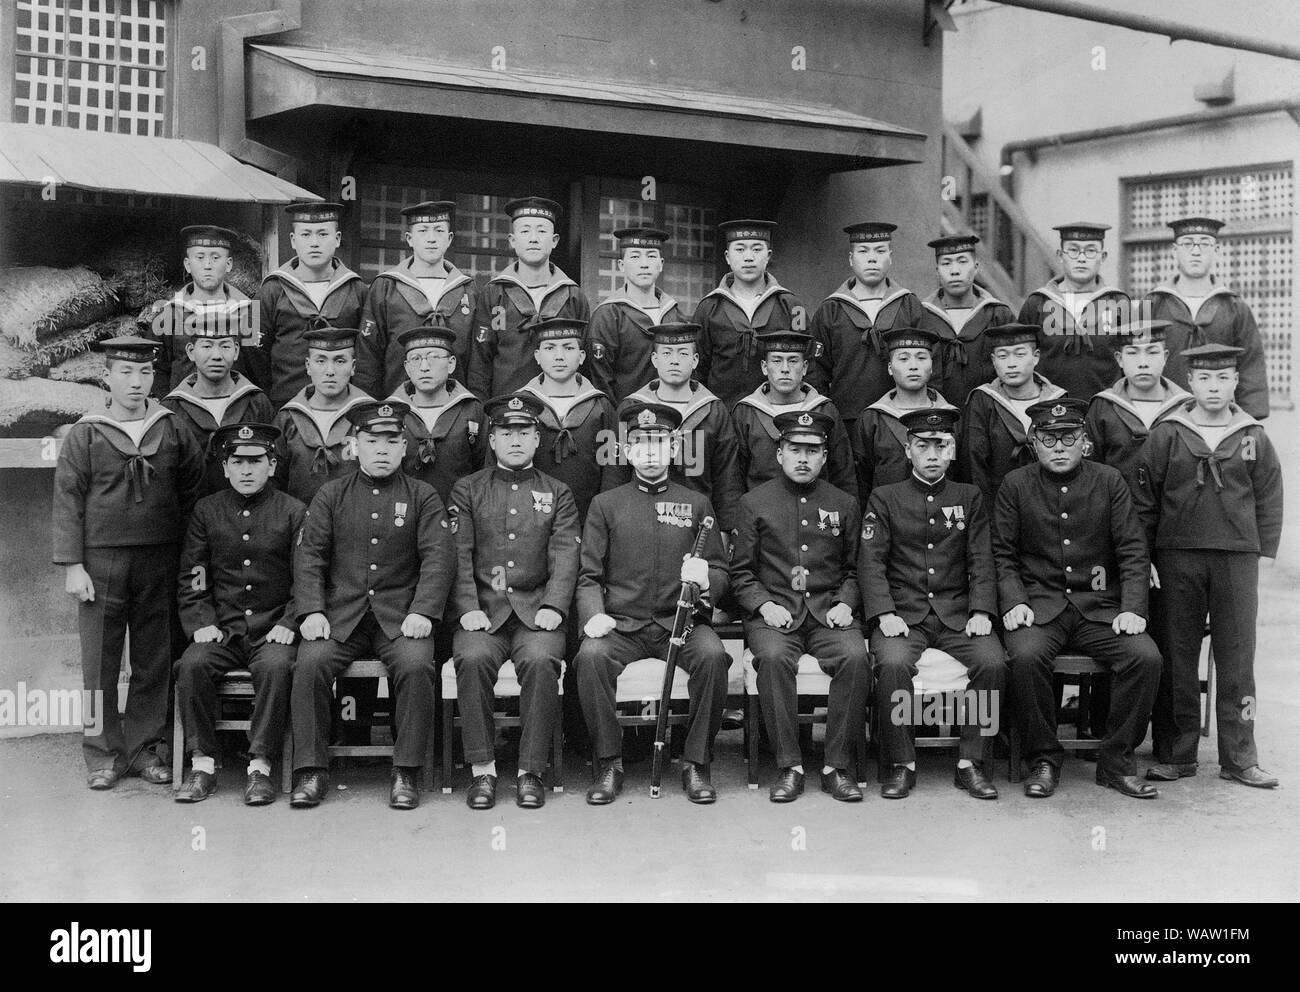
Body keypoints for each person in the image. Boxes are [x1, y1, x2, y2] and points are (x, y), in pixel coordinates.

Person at [52, 336, 205, 789]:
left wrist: (174, 543)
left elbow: (191, 488)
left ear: (154, 377)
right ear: (107, 377)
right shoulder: (87, 432)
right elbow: (68, 500)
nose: (136, 383)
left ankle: (144, 750)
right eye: (125, 373)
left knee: (153, 659)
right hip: (101, 563)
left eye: (144, 373)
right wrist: (72, 566)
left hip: (158, 559)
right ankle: (102, 754)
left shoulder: (171, 427)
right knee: (99, 661)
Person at [289, 400, 455, 810]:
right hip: (340, 617)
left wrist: (423, 611)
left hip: (400, 618)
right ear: (354, 446)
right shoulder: (331, 494)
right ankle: (311, 770)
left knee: (417, 666)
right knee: (309, 664)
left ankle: (406, 772)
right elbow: (310, 555)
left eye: (391, 441)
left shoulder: (423, 495)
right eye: (371, 440)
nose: (382, 449)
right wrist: (311, 611)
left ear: (404, 447)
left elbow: (439, 557)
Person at [993, 398, 1162, 800]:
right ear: (1034, 442)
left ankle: (1117, 761)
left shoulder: (1108, 481)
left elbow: (1132, 551)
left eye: (1068, 437)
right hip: (1039, 607)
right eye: (1049, 438)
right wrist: (1015, 600)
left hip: (1098, 608)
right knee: (1026, 656)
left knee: (1146, 657)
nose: (1059, 446)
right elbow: (1001, 553)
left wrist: (1132, 608)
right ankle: (1044, 759)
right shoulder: (1016, 484)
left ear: (1084, 440)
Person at [1135, 344, 1283, 789]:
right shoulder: (1168, 433)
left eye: (1223, 379)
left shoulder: (1252, 435)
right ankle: (1176, 753)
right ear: (1191, 383)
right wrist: (1143, 556)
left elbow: (1269, 496)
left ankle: (1240, 757)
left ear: (1236, 382)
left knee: (1238, 656)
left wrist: (1266, 553)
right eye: (1204, 379)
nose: (1214, 388)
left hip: (1236, 557)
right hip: (1177, 555)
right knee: (1177, 654)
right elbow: (1144, 500)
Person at [575, 401, 731, 805]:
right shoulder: (605, 505)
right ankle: (610, 762)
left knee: (714, 656)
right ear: (627, 451)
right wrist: (594, 615)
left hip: (679, 623)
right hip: (622, 626)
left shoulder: (696, 503)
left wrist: (706, 580)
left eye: (658, 441)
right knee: (590, 657)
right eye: (640, 442)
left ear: (674, 448)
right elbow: (588, 573)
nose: (648, 450)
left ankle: (696, 762)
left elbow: (721, 572)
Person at [858, 407, 1005, 800]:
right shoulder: (885, 497)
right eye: (923, 445)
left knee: (992, 662)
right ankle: (901, 763)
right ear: (908, 450)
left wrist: (981, 611)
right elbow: (870, 561)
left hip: (958, 614)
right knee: (891, 663)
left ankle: (970, 762)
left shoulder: (968, 497)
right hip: (903, 615)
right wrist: (884, 613)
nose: (933, 453)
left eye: (941, 445)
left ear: (953, 451)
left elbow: (981, 558)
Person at [449, 392, 581, 810]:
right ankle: (482, 771)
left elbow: (566, 555)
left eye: (524, 432)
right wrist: (468, 606)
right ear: (492, 440)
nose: (516, 440)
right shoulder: (468, 488)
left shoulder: (557, 491)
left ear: (538, 439)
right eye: (506, 432)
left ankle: (530, 771)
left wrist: (555, 606)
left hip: (535, 612)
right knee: (470, 660)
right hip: (483, 612)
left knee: (542, 662)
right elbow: (457, 553)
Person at [730, 410, 869, 803]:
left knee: (855, 658)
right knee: (772, 659)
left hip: (828, 612)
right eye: (795, 449)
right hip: (775, 615)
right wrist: (762, 605)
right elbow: (740, 572)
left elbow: (858, 567)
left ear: (825, 456)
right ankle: (789, 766)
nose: (803, 458)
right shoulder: (754, 502)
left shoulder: (843, 503)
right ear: (779, 454)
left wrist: (846, 602)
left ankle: (835, 766)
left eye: (813, 450)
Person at [173, 424, 305, 805]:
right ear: (226, 468)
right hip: (224, 630)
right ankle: (202, 764)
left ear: (272, 465)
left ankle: (260, 766)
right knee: (192, 665)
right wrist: (201, 622)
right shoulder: (207, 510)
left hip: (272, 629)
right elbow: (194, 575)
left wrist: (289, 623)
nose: (246, 470)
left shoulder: (293, 511)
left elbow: (307, 577)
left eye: (255, 461)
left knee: (278, 667)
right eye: (237, 462)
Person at [617, 322, 743, 536]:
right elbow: (615, 471)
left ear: (695, 361)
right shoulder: (631, 409)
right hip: (638, 523)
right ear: (654, 360)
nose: (674, 360)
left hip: (697, 523)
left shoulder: (714, 410)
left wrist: (726, 531)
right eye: (666, 353)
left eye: (683, 353)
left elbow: (727, 478)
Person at [1144, 217, 1270, 420]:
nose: (1196, 251)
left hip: (1219, 418)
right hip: (1163, 417)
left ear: (1217, 250)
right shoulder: (1153, 303)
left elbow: (1250, 366)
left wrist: (1247, 423)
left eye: (1204, 243)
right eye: (1187, 244)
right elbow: (1133, 361)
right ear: (1174, 251)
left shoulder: (1234, 306)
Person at [468, 196, 590, 398]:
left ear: (554, 241)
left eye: (542, 231)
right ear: (512, 240)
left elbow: (585, 362)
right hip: (507, 408)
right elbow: (480, 361)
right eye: (525, 231)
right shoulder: (494, 293)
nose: (533, 238)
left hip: (559, 408)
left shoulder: (573, 295)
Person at [808, 222, 925, 429]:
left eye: (880, 251)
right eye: (863, 251)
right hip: (846, 419)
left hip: (902, 418)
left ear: (890, 256)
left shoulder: (909, 305)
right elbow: (817, 372)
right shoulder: (831, 309)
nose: (872, 258)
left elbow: (929, 363)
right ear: (851, 259)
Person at [358, 200, 478, 398]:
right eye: (423, 231)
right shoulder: (386, 286)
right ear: (409, 238)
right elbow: (368, 355)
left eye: (439, 231)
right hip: (397, 402)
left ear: (449, 239)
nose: (431, 239)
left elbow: (476, 359)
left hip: (455, 406)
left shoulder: (467, 288)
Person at [255, 202, 367, 408]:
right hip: (285, 402)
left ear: (338, 239)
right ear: (293, 240)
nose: (314, 243)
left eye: (323, 234)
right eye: (306, 235)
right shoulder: (270, 289)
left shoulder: (357, 289)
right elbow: (253, 353)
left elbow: (365, 351)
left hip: (343, 403)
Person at [694, 219, 806, 408]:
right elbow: (697, 367)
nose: (748, 257)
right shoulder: (709, 307)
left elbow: (806, 361)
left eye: (756, 249)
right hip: (722, 413)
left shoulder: (792, 306)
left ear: (768, 255)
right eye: (740, 249)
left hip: (774, 414)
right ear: (727, 257)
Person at [730, 330, 856, 498]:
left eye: (793, 361)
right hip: (761, 513)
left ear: (804, 368)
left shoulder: (824, 409)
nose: (785, 369)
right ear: (764, 367)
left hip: (817, 513)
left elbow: (843, 472)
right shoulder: (746, 412)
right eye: (776, 361)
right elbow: (734, 477)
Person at [519, 317, 619, 521]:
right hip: (527, 519)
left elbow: (612, 473)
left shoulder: (601, 407)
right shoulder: (520, 405)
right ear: (537, 356)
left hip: (586, 518)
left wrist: (602, 521)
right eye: (549, 348)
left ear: (582, 356)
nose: (559, 356)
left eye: (568, 347)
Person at [1017, 222, 1130, 400]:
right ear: (1060, 255)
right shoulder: (1037, 302)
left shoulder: (1119, 302)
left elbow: (1131, 364)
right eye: (1073, 250)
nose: (1082, 258)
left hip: (1107, 409)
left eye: (1091, 251)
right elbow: (1021, 361)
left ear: (1103, 256)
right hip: (1050, 409)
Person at [162, 323, 274, 497]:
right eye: (206, 346)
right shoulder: (172, 408)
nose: (216, 356)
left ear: (236, 351)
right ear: (191, 351)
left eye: (225, 346)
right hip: (192, 513)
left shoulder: (256, 402)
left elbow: (272, 464)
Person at [144, 225, 258, 394]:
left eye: (215, 257)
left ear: (228, 264)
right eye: (200, 257)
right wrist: (171, 406)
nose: (207, 265)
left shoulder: (248, 313)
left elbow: (257, 368)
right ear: (187, 264)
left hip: (235, 412)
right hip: (184, 412)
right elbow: (156, 367)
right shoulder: (170, 314)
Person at [962, 322, 1066, 506]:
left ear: (1036, 357)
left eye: (1020, 354)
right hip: (1001, 505)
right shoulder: (984, 400)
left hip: (1053, 505)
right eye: (1002, 356)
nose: (1011, 364)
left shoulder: (1058, 400)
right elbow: (975, 467)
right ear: (993, 361)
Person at [386, 320, 485, 507]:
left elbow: (484, 469)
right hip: (403, 513)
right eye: (416, 359)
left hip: (460, 511)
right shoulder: (392, 412)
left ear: (451, 364)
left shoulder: (471, 409)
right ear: (407, 368)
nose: (424, 367)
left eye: (433, 357)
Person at [851, 326, 955, 501]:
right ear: (890, 368)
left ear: (931, 367)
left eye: (921, 358)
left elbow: (957, 472)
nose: (913, 366)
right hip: (888, 515)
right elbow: (862, 479)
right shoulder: (872, 419)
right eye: (904, 359)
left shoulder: (950, 417)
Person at [1085, 320, 1189, 494]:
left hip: (1173, 514)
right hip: (1118, 510)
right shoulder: (1104, 406)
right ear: (1119, 359)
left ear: (1165, 357)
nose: (1143, 363)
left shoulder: (1185, 407)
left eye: (1152, 352)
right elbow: (1090, 470)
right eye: (1133, 353)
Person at [272, 325, 372, 505]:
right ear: (308, 366)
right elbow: (274, 482)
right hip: (301, 521)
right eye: (320, 361)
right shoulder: (288, 418)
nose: (330, 371)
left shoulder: (369, 414)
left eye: (340, 361)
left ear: (353, 367)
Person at [587, 227, 684, 404]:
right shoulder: (608, 315)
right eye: (635, 256)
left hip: (671, 418)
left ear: (661, 264)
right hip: (626, 418)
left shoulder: (674, 313)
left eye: (651, 256)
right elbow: (601, 381)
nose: (644, 263)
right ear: (621, 265)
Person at [918, 234, 1014, 409]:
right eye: (946, 263)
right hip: (934, 414)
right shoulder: (922, 315)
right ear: (937, 270)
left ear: (976, 267)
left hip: (988, 411)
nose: (955, 270)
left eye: (962, 261)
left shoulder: (997, 314)